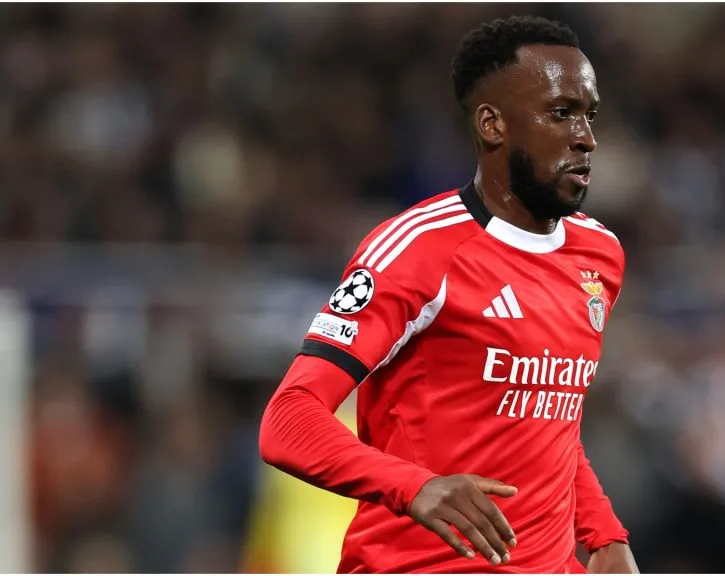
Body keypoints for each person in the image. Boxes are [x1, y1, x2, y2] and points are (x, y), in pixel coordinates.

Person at [259, 15, 639, 574]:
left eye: (589, 114)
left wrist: (604, 534)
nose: (585, 137)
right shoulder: (416, 252)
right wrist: (414, 486)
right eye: (561, 113)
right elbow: (288, 420)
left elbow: (545, 421)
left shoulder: (599, 254)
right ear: (492, 125)